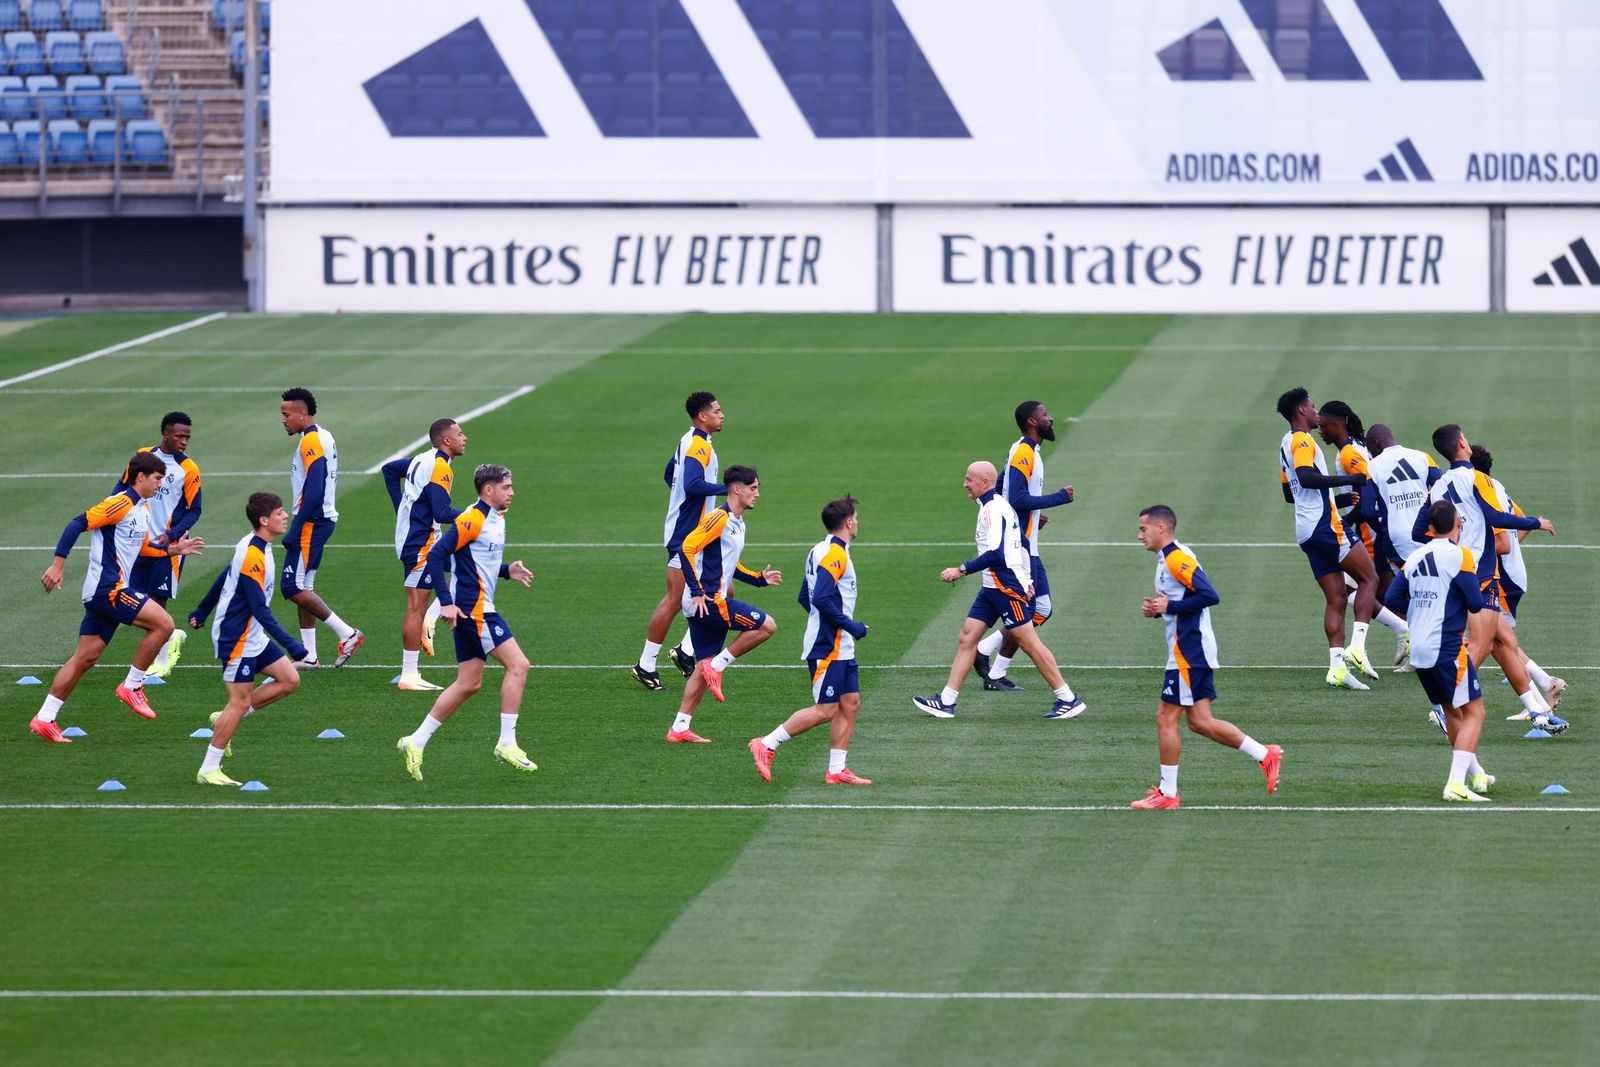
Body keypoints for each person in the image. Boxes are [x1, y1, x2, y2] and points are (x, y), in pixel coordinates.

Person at [29, 451, 204, 742]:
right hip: (108, 590)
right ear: (140, 477)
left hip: (106, 592)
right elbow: (77, 523)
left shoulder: (142, 509)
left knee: (85, 658)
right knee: (164, 625)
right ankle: (132, 686)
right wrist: (57, 565)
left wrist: (173, 550)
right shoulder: (119, 504)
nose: (160, 484)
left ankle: (45, 718)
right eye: (158, 478)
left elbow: (143, 548)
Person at [1129, 505, 1280, 809]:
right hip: (1188, 650)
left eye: (1143, 529)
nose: (1139, 535)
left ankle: (1168, 795)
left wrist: (1168, 608)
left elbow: (1209, 595)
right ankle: (1266, 755)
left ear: (1161, 529)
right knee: (1199, 722)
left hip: (1189, 652)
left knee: (1165, 717)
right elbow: (1185, 599)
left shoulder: (1176, 558)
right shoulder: (1168, 558)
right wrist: (1161, 610)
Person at [1413, 425, 1560, 731]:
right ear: (1462, 443)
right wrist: (1536, 522)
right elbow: (1495, 518)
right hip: (1481, 574)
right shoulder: (1477, 478)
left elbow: (1418, 532)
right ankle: (1445, 707)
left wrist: (1452, 541)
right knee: (1481, 644)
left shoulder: (1438, 486)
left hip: (1458, 571)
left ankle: (1538, 711)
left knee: (1503, 642)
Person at [912, 461, 1085, 720]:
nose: (965, 484)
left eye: (969, 479)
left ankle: (1067, 698)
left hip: (1004, 586)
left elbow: (996, 553)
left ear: (984, 482)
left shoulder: (992, 510)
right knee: (967, 637)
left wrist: (961, 569)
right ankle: (946, 702)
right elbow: (1020, 543)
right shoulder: (999, 507)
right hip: (992, 586)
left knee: (1029, 642)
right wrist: (1027, 579)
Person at [396, 464, 538, 781]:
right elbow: (435, 557)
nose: (512, 492)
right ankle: (507, 743)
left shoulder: (495, 518)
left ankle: (415, 741)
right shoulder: (472, 519)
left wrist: (505, 571)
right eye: (506, 487)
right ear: (488, 490)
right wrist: (445, 603)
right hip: (474, 611)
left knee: (468, 684)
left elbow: (471, 560)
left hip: (473, 609)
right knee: (519, 665)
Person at [750, 496, 872, 785]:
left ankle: (836, 770)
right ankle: (766, 744)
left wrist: (829, 623)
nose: (858, 522)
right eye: (856, 517)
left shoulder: (820, 550)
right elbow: (819, 598)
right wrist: (849, 626)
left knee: (850, 703)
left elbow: (805, 597)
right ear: (849, 522)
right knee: (825, 710)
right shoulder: (836, 555)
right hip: (828, 646)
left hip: (838, 644)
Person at [1385, 500, 1500, 801]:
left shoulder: (1415, 556)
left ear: (1430, 527)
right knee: (1476, 712)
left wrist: (1425, 608)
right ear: (1456, 524)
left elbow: (1393, 598)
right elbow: (1475, 602)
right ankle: (1454, 785)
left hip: (1420, 650)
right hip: (1446, 645)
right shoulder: (1460, 555)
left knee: (1452, 712)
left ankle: (1476, 776)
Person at [197, 493, 306, 786]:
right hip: (237, 638)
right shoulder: (252, 554)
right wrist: (291, 644)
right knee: (239, 701)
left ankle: (226, 718)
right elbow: (259, 608)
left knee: (289, 679)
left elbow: (225, 575)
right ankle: (208, 768)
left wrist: (202, 610)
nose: (285, 516)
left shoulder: (256, 545)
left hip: (252, 635)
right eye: (280, 512)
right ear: (264, 520)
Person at [666, 465, 781, 743]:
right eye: (753, 488)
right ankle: (719, 665)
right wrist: (695, 591)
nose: (757, 494)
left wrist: (758, 579)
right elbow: (686, 548)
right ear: (736, 489)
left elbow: (729, 563)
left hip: (704, 602)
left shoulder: (738, 522)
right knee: (766, 626)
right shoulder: (719, 518)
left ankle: (679, 728)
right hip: (708, 602)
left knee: (704, 663)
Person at [1275, 387, 1380, 690]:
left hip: (1306, 530)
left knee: (1335, 597)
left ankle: (1336, 668)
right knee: (1369, 579)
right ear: (1300, 411)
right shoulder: (1303, 440)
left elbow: (1290, 492)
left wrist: (1343, 496)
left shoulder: (1285, 444)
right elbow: (1307, 477)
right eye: (1311, 406)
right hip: (1325, 526)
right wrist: (1351, 479)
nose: (1316, 411)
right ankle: (1358, 648)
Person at [973, 400, 1075, 692]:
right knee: (1037, 609)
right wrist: (1058, 498)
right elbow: (1016, 497)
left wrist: (1028, 515)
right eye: (1045, 414)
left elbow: (1005, 485)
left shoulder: (1026, 450)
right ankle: (988, 660)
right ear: (1032, 421)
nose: (1051, 418)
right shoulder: (1024, 451)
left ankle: (989, 662)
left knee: (1034, 610)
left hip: (1025, 542)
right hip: (1021, 549)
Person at [633, 391, 725, 691]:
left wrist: (679, 500)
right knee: (674, 599)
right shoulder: (696, 444)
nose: (722, 415)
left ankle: (685, 650)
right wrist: (730, 487)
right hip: (685, 534)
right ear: (702, 416)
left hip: (697, 531)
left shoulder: (692, 441)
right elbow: (692, 484)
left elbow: (669, 474)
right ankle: (646, 665)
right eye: (717, 411)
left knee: (723, 586)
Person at [1469, 443, 1568, 721]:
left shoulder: (1479, 492)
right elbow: (1519, 524)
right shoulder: (1496, 486)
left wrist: (1485, 552)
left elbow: (1503, 543)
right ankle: (1543, 690)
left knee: (1494, 641)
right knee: (1502, 640)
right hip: (1512, 574)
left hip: (1502, 578)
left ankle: (1541, 696)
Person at [1316, 401, 1410, 664]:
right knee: (1375, 592)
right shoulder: (1353, 448)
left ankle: (1411, 636)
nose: (1319, 431)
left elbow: (1368, 493)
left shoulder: (1349, 454)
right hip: (1371, 528)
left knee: (1359, 591)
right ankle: (1408, 636)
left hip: (1371, 531)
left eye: (1323, 426)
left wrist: (1344, 521)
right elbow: (1357, 496)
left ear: (1337, 425)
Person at [279, 387, 364, 668]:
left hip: (313, 521)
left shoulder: (311, 441)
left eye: (287, 414)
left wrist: (296, 527)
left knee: (291, 586)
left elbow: (315, 487)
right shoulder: (321, 436)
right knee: (305, 586)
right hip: (320, 519)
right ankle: (309, 656)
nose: (283, 419)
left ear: (302, 414)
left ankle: (348, 633)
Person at [382, 418, 468, 692]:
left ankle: (431, 620)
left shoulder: (423, 459)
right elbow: (442, 513)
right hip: (420, 542)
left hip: (423, 536)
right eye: (459, 434)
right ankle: (409, 675)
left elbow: (388, 470)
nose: (464, 438)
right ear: (446, 441)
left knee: (466, 566)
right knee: (415, 607)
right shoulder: (440, 467)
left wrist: (403, 510)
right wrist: (477, 515)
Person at [115, 411, 202, 679]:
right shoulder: (142, 456)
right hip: (137, 542)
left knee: (158, 600)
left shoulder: (189, 469)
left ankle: (162, 660)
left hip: (168, 548)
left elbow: (194, 510)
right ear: (165, 434)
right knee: (132, 599)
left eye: (187, 436)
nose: (184, 441)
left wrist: (172, 535)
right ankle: (171, 634)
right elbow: (121, 488)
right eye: (179, 436)